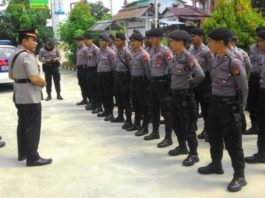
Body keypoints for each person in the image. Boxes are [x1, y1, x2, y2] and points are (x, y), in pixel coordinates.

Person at [197, 28, 248, 192]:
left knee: (233, 142)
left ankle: (240, 176)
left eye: (210, 41)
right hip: (215, 104)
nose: (208, 44)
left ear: (219, 43)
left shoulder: (234, 62)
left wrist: (240, 109)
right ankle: (216, 164)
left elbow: (244, 88)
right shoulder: (215, 59)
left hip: (229, 106)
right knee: (214, 136)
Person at [9, 28, 52, 167]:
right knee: (32, 127)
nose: (35, 42)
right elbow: (34, 78)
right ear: (24, 41)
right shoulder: (27, 56)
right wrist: (44, 83)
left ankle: (23, 153)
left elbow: (11, 76)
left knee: (22, 125)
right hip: (30, 96)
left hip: (19, 95)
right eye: (32, 39)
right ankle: (33, 157)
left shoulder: (14, 54)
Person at [167, 30, 204, 166]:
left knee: (188, 126)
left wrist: (189, 85)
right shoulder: (175, 56)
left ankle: (194, 154)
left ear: (180, 42)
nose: (170, 43)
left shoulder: (189, 57)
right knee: (175, 123)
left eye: (172, 41)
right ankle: (182, 147)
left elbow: (200, 75)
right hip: (174, 95)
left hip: (185, 96)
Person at [143, 28, 173, 148]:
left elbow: (171, 66)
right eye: (150, 38)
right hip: (153, 83)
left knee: (166, 111)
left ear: (159, 38)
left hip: (163, 83)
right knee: (154, 108)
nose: (150, 40)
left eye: (153, 38)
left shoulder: (165, 51)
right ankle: (155, 132)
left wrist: (166, 80)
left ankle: (168, 137)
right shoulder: (150, 51)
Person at [245, 29, 265, 164]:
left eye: (260, 41)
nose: (258, 43)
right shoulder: (262, 55)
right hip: (261, 87)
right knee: (262, 124)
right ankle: (261, 154)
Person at [126, 32, 151, 137]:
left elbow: (148, 71)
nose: (132, 43)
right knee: (135, 103)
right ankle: (136, 124)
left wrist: (148, 83)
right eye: (131, 41)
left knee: (143, 105)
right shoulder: (132, 53)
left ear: (140, 42)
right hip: (133, 80)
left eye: (135, 41)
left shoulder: (144, 54)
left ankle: (144, 127)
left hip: (142, 81)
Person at [190, 27, 212, 141]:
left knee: (205, 108)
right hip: (194, 80)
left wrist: (211, 83)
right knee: (193, 105)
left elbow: (212, 68)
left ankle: (207, 130)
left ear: (200, 37)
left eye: (194, 36)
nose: (191, 38)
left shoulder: (206, 51)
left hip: (205, 82)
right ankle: (192, 126)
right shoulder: (191, 50)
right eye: (191, 36)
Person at [112, 32, 133, 129]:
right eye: (115, 41)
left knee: (125, 99)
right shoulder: (117, 51)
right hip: (117, 75)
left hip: (125, 77)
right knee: (118, 97)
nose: (115, 42)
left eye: (118, 41)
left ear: (123, 41)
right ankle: (120, 116)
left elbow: (130, 66)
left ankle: (128, 120)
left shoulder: (126, 52)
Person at [96, 33, 116, 121]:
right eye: (100, 41)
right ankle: (105, 111)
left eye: (103, 41)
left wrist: (112, 76)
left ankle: (110, 113)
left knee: (108, 95)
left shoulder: (110, 52)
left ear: (107, 42)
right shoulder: (98, 51)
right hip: (100, 75)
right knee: (102, 94)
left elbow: (113, 65)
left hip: (107, 75)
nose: (101, 42)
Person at [83, 32, 101, 112]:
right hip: (89, 69)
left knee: (95, 88)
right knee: (90, 87)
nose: (86, 41)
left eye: (87, 39)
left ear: (91, 40)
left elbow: (98, 60)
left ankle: (98, 105)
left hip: (95, 69)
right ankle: (93, 103)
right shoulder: (87, 49)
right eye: (85, 40)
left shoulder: (96, 49)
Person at [75, 36, 89, 105]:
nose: (78, 42)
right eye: (77, 41)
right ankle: (84, 99)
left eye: (80, 41)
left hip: (84, 68)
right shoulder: (78, 49)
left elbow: (88, 59)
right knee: (81, 84)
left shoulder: (86, 49)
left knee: (86, 84)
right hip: (79, 68)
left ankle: (90, 100)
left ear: (83, 41)